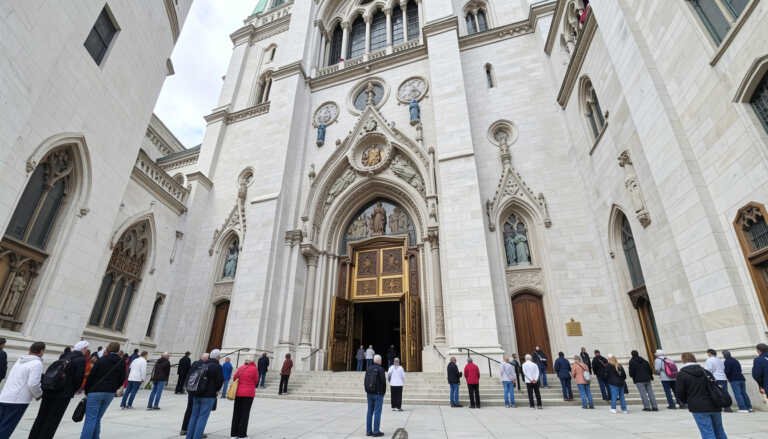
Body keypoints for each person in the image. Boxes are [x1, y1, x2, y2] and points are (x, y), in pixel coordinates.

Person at [29, 340, 88, 438]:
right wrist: (72, 390)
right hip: (63, 394)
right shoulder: (81, 359)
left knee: (41, 416)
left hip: (50, 390)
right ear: (84, 348)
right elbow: (78, 378)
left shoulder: (65, 355)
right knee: (53, 419)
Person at [676, 352, 728, 439]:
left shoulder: (682, 374)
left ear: (683, 360)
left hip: (698, 406)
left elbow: (680, 393)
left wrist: (686, 401)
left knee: (707, 432)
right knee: (719, 430)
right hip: (714, 404)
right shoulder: (705, 371)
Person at [81, 342, 125, 439]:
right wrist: (114, 388)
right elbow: (122, 379)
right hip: (109, 393)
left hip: (95, 391)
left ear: (108, 348)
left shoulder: (103, 359)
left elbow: (91, 376)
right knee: (97, 418)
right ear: (118, 350)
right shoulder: (121, 362)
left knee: (90, 419)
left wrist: (87, 390)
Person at [0, 341, 44, 437]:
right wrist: (39, 394)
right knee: (6, 427)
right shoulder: (37, 363)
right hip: (18, 400)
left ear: (30, 350)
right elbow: (33, 384)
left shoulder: (20, 360)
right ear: (41, 351)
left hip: (4, 396)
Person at [186, 349, 224, 439]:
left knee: (194, 416)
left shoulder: (202, 364)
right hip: (208, 396)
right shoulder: (217, 367)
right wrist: (216, 389)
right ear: (218, 357)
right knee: (202, 418)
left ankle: (189, 436)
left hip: (196, 393)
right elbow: (220, 381)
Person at [230, 357, 259, 439]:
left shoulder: (241, 368)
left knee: (236, 413)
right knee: (245, 414)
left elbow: (235, 377)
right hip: (248, 394)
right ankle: (242, 434)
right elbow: (256, 380)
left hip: (238, 393)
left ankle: (234, 434)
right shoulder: (254, 369)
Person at [180, 353, 208, 436]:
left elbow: (188, 374)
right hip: (197, 391)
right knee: (197, 412)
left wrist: (186, 385)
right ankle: (195, 431)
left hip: (190, 389)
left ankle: (184, 428)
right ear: (206, 359)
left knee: (189, 409)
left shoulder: (194, 363)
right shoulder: (204, 366)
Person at [364, 354, 387, 437]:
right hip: (378, 394)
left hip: (369, 393)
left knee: (369, 412)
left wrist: (367, 391)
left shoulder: (368, 368)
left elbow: (365, 380)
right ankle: (376, 431)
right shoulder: (381, 369)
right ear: (379, 361)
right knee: (377, 412)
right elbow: (383, 382)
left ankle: (368, 431)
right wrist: (383, 392)